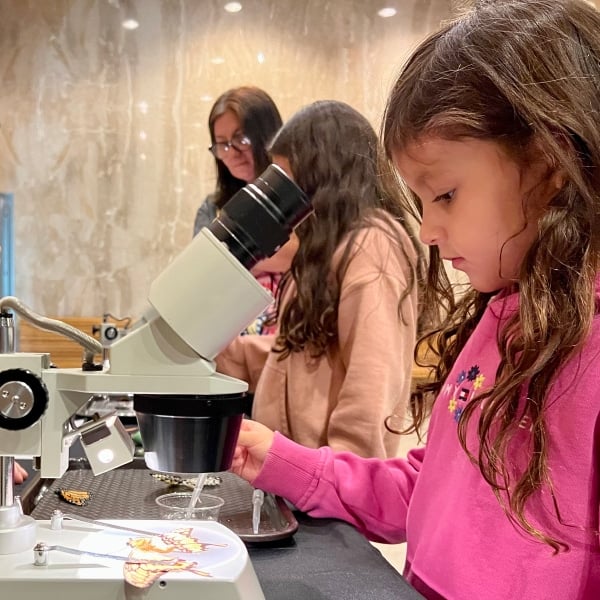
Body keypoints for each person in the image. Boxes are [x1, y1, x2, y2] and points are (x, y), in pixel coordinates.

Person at [229, 1, 600, 598]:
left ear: (549, 163)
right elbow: (419, 494)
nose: (427, 230)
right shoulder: (501, 313)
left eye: (446, 194)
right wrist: (278, 458)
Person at [217, 100, 424, 459]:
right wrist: (225, 353)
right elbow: (302, 353)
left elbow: (370, 383)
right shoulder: (327, 248)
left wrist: (338, 478)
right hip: (298, 476)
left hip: (330, 488)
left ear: (321, 178)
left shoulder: (373, 244)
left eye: (288, 183)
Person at [194, 86, 284, 334]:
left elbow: (313, 255)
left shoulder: (305, 198)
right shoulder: (212, 209)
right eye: (221, 144)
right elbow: (203, 273)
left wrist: (238, 257)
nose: (232, 153)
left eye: (241, 139)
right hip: (230, 344)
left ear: (269, 135)